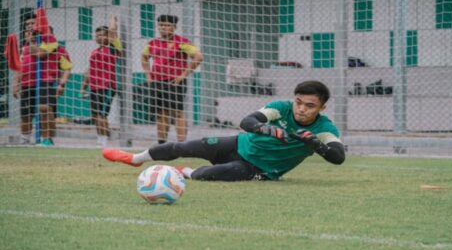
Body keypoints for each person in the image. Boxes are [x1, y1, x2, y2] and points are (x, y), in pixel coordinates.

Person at [103, 80, 345, 181]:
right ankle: (136, 158)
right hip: (236, 143)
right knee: (182, 146)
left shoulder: (324, 128)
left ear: (321, 107)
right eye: (299, 102)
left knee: (210, 174)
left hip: (257, 168)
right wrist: (268, 130)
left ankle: (183, 172)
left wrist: (316, 145)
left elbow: (337, 156)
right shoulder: (281, 108)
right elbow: (248, 121)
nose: (301, 109)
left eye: (309, 106)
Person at [141, 14, 203, 144]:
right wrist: (148, 74)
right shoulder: (152, 43)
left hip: (174, 82)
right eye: (161, 25)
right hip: (157, 82)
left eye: (167, 25)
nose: (164, 27)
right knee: (161, 112)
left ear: (174, 27)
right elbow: (144, 57)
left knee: (177, 112)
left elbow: (198, 57)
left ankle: (182, 143)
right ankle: (162, 143)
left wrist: (183, 75)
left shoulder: (181, 43)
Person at [12, 14, 72, 146]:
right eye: (27, 25)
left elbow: (42, 54)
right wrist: (16, 83)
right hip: (27, 83)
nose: (29, 26)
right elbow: (20, 66)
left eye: (32, 23)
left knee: (44, 108)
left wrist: (61, 84)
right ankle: (25, 141)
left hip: (46, 81)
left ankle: (47, 139)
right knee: (26, 114)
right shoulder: (24, 48)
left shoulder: (51, 42)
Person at [80, 15, 122, 147]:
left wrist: (112, 19)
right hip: (94, 86)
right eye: (97, 35)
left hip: (108, 86)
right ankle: (100, 137)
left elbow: (113, 31)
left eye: (102, 35)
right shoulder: (94, 52)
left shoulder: (113, 47)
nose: (99, 38)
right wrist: (83, 86)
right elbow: (89, 70)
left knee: (102, 114)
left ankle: (104, 140)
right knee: (96, 114)